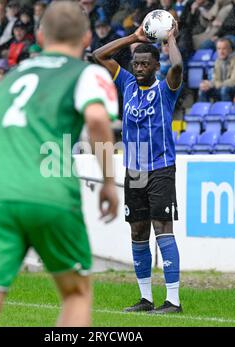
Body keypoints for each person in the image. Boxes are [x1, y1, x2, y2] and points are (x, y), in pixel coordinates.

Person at [0, 1, 119, 327]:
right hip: (50, 193)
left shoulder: (8, 81)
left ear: (40, 37)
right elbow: (98, 119)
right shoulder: (87, 73)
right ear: (87, 39)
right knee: (75, 295)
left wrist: (3, 182)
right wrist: (109, 183)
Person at [93, 22, 183, 314]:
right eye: (137, 63)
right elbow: (98, 55)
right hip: (134, 170)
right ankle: (146, 298)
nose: (140, 67)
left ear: (157, 65)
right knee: (138, 231)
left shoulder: (166, 88)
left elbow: (179, 68)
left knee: (162, 228)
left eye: (146, 63)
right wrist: (133, 37)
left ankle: (173, 300)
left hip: (161, 167)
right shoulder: (127, 83)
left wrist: (170, 41)